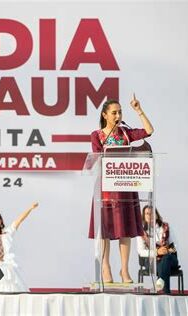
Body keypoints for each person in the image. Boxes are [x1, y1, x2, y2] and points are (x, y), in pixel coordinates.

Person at [88, 94, 154, 283]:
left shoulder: (126, 133)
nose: (118, 115)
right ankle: (105, 266)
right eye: (114, 112)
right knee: (105, 229)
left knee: (125, 229)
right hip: (105, 188)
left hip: (125, 186)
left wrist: (138, 110)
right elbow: (96, 158)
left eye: (120, 112)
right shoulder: (97, 135)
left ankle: (124, 270)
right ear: (105, 115)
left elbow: (149, 131)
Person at [0, 202, 39, 292]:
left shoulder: (7, 233)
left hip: (8, 267)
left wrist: (30, 208)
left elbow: (19, 220)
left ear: (1, 221)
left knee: (13, 287)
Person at [137, 206, 179, 294]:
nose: (150, 215)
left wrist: (166, 250)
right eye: (147, 214)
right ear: (144, 216)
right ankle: (165, 291)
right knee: (161, 263)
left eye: (152, 213)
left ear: (156, 215)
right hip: (152, 261)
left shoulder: (166, 227)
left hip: (169, 258)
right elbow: (141, 252)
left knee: (166, 259)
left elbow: (175, 246)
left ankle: (160, 285)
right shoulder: (141, 231)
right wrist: (156, 252)